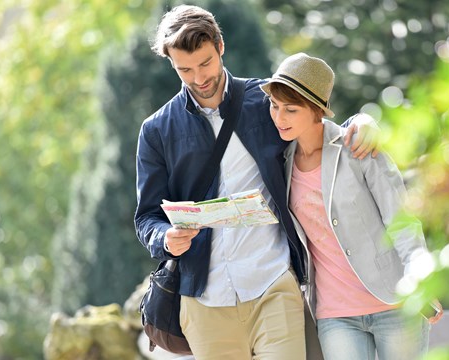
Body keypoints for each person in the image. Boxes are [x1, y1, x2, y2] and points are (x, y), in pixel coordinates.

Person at [134, 5, 379, 360]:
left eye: (205, 63)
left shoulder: (265, 101)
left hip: (272, 284)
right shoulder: (157, 130)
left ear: (220, 46)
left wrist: (363, 121)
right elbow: (146, 219)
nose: (198, 78)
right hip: (204, 301)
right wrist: (165, 238)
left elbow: (317, 124)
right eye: (184, 69)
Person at [261, 53, 443, 360]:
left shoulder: (358, 146)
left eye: (291, 110)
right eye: (275, 107)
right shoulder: (282, 164)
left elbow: (400, 217)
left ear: (317, 110)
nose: (279, 118)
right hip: (335, 314)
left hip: (395, 302)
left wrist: (420, 276)